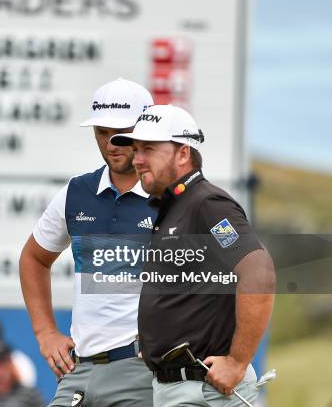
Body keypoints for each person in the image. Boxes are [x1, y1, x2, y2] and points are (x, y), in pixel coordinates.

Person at [110, 104, 275, 406]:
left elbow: (258, 272)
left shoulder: (207, 205)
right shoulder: (175, 207)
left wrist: (237, 362)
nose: (138, 159)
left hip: (206, 391)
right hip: (180, 389)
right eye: (135, 150)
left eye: (148, 149)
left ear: (183, 154)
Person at [19, 78, 157, 406]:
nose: (110, 143)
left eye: (120, 133)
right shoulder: (76, 192)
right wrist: (45, 334)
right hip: (79, 370)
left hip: (142, 370)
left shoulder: (172, 196)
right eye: (101, 133)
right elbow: (33, 258)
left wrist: (233, 357)